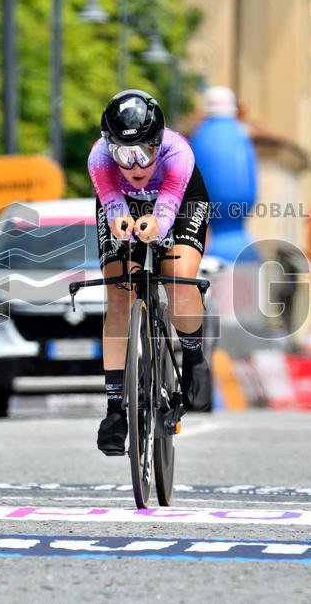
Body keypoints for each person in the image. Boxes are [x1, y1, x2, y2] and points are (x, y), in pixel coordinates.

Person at [88, 89, 212, 456]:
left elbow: (165, 214)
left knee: (178, 277)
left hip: (180, 199)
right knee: (119, 292)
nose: (136, 165)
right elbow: (112, 205)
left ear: (159, 143)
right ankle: (114, 411)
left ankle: (193, 359)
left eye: (145, 152)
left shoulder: (178, 153)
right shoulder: (99, 159)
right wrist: (120, 222)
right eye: (124, 154)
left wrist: (155, 226)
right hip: (125, 204)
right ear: (109, 148)